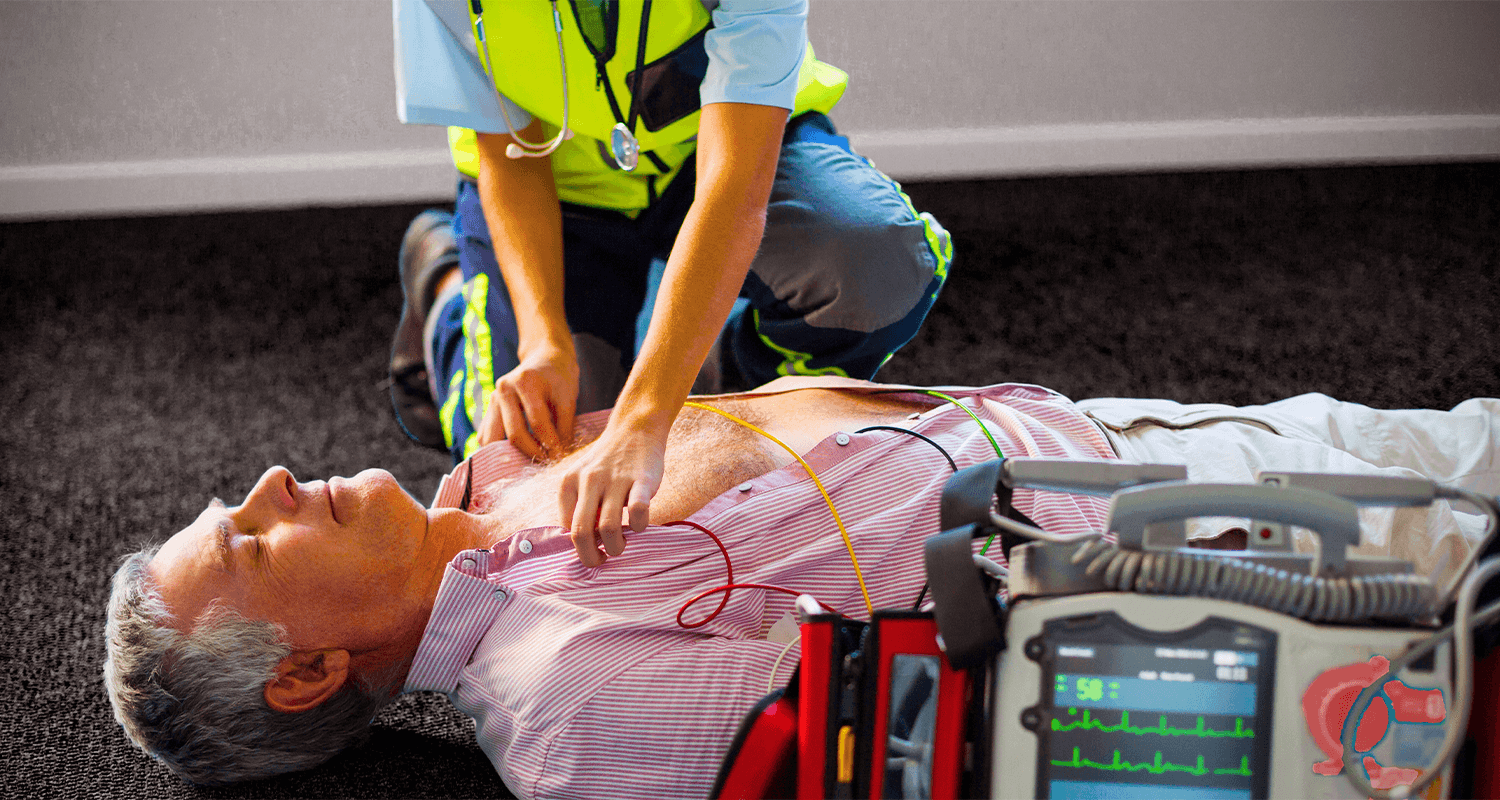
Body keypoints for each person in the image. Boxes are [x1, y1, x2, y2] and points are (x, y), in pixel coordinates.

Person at [104, 377, 1498, 798]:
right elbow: (941, 725)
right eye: (250, 541)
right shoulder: (563, 696)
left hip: (1117, 435)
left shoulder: (493, 481)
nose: (277, 479)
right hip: (1219, 542)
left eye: (242, 500)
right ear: (302, 675)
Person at [385, 0, 953, 556]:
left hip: (719, 155)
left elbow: (733, 195)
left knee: (877, 268)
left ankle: (711, 383)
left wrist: (643, 420)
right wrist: (543, 346)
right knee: (524, 464)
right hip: (560, 191)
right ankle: (444, 280)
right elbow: (513, 148)